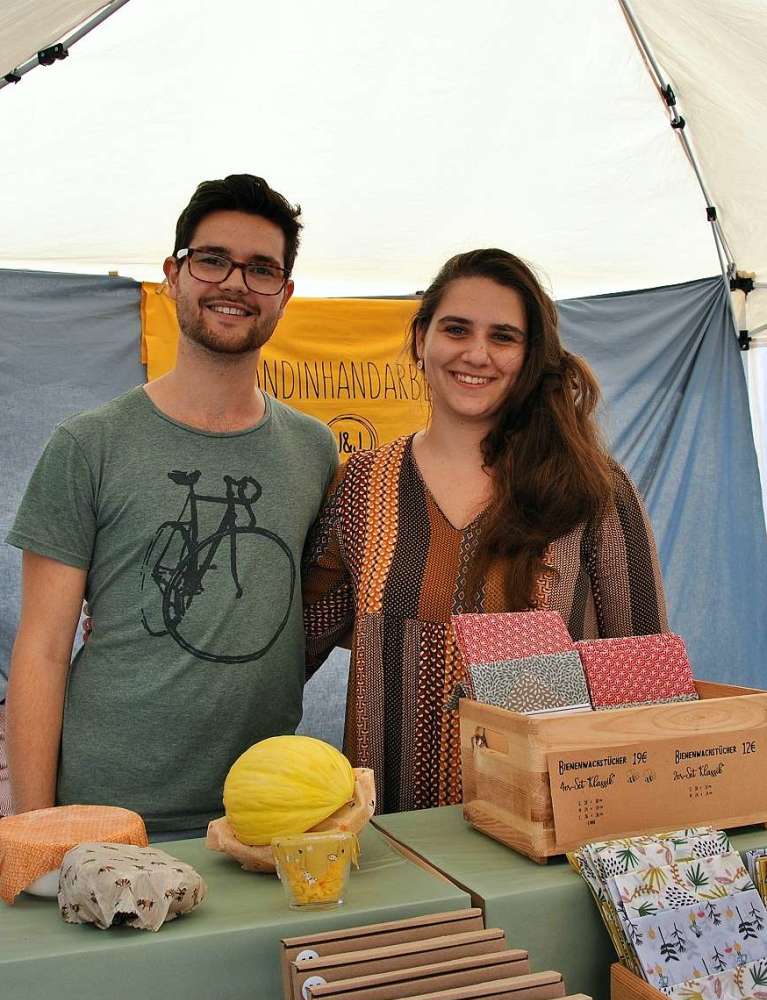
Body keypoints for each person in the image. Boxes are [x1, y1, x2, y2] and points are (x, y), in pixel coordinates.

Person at [5, 174, 338, 836]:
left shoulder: (314, 450)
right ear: (174, 275)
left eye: (261, 269)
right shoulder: (89, 444)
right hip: (108, 813)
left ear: (285, 295)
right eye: (212, 259)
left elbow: (312, 605)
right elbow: (41, 647)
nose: (235, 283)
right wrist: (35, 829)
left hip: (266, 814)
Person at [303, 248, 668, 814]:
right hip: (394, 833)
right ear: (422, 337)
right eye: (456, 329)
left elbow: (644, 674)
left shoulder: (589, 487)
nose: (477, 354)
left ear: (530, 355)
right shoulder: (362, 485)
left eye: (503, 336)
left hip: (546, 831)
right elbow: (295, 642)